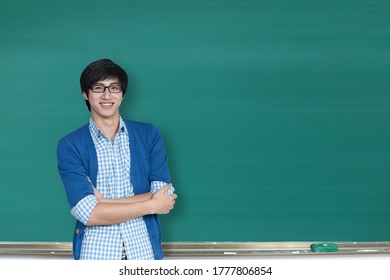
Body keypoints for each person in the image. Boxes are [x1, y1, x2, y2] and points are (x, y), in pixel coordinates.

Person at [57, 58, 177, 260]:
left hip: (143, 254)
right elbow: (89, 214)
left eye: (114, 88)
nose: (107, 95)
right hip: (96, 256)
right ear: (85, 93)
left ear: (122, 94)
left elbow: (165, 194)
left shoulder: (148, 134)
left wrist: (105, 201)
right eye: (98, 88)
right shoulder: (70, 145)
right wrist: (151, 204)